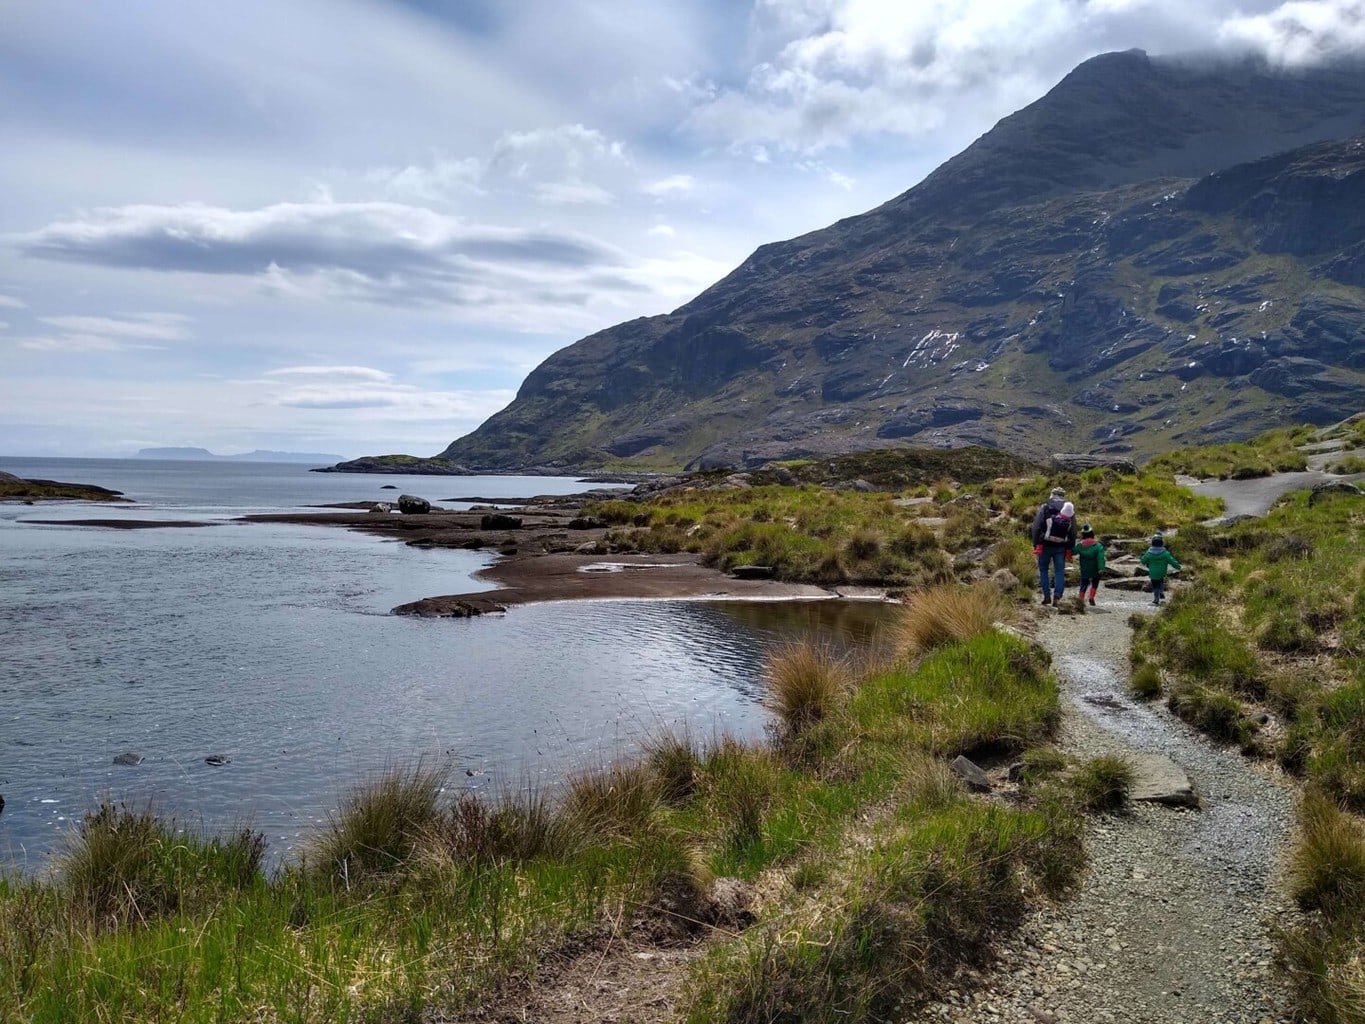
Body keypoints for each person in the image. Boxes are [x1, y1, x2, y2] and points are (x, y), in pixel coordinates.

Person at [1031, 488, 1076, 605]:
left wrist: (1036, 543)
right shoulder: (1069, 509)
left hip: (1045, 544)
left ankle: (1046, 596)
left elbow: (1036, 526)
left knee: (1044, 569)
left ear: (1052, 494)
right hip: (1061, 546)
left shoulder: (1045, 506)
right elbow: (1073, 531)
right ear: (1063, 495)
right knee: (1059, 571)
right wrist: (1070, 547)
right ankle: (1057, 596)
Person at [1139, 532, 1182, 606]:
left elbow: (1143, 561)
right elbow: (1172, 561)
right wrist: (1178, 567)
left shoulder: (1149, 553)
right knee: (1161, 580)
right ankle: (1161, 591)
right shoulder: (1165, 553)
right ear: (1162, 543)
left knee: (1155, 585)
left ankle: (1156, 600)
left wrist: (1142, 557)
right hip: (1162, 572)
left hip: (1153, 573)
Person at [1075, 523, 1106, 605]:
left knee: (1083, 583)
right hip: (1095, 568)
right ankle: (1091, 597)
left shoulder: (1080, 545)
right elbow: (1100, 558)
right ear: (1092, 534)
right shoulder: (1098, 546)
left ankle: (1080, 599)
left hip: (1084, 569)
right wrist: (1101, 568)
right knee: (1095, 582)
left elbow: (1073, 552)